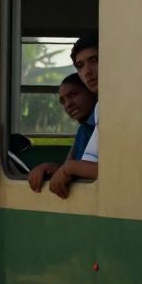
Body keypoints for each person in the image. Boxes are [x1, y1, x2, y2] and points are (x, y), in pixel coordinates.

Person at [42, 33, 99, 199]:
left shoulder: (111, 111)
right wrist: (59, 168)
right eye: (80, 66)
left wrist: (69, 168)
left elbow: (114, 172)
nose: (87, 72)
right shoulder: (86, 128)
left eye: (94, 60)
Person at [26, 73, 97, 193]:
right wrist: (50, 168)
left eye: (73, 94)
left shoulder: (103, 127)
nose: (68, 105)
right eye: (63, 101)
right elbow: (74, 168)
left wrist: (69, 168)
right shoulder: (84, 129)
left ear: (92, 92)